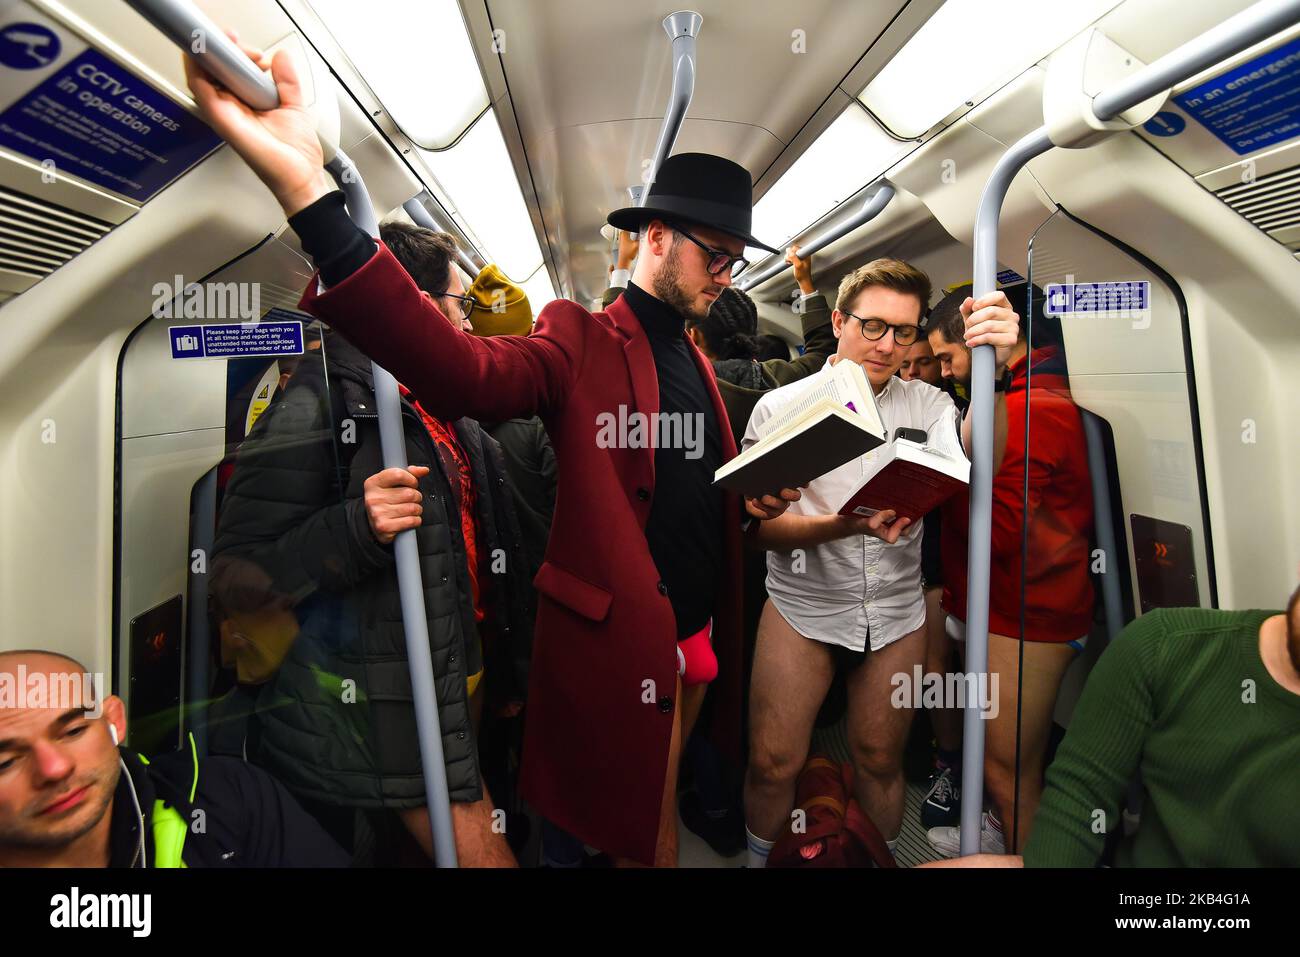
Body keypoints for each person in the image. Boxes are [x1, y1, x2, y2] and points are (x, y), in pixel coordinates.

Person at [184, 42, 800, 866]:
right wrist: (313, 198)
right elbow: (461, 372)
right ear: (656, 237)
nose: (725, 274)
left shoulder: (691, 358)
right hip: (628, 646)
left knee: (653, 818)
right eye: (712, 254)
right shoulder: (578, 338)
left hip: (695, 635)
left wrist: (747, 504)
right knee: (647, 843)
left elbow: (681, 483)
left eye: (734, 260)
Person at [211, 221, 531, 868]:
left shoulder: (441, 398)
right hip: (373, 708)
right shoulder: (320, 402)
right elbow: (235, 574)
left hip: (452, 677)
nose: (466, 322)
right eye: (458, 303)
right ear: (412, 305)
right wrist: (356, 528)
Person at [741, 259, 1022, 868]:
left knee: (879, 759)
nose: (888, 345)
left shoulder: (928, 403)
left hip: (895, 612)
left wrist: (993, 375)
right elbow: (761, 533)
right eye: (872, 326)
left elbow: (985, 462)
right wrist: (844, 524)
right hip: (802, 608)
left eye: (903, 332)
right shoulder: (780, 407)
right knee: (773, 763)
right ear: (839, 322)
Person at [923, 282, 1094, 857]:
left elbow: (995, 532)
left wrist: (929, 486)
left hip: (1024, 615)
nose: (944, 372)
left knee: (1008, 770)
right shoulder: (1040, 392)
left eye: (947, 357)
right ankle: (1005, 834)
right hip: (1027, 603)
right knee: (1014, 762)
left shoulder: (1027, 410)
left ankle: (1026, 851)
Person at [0, 650, 349, 867]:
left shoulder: (227, 800)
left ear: (113, 722)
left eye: (74, 731)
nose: (55, 768)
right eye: (6, 762)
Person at [898, 327, 965, 829]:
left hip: (941, 559)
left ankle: (953, 763)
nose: (915, 372)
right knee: (921, 670)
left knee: (937, 667)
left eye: (925, 362)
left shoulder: (950, 412)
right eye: (908, 364)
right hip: (905, 560)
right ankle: (932, 752)